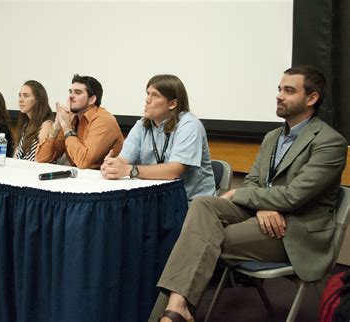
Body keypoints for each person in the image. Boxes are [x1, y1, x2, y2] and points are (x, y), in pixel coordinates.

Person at [149, 65, 348, 322]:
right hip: (264, 218)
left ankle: (167, 316)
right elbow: (254, 182)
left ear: (311, 99)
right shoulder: (272, 137)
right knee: (203, 205)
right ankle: (176, 310)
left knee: (201, 239)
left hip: (294, 232)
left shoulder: (329, 142)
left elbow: (294, 197)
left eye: (289, 90)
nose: (279, 95)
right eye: (279, 89)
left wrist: (238, 195)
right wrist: (263, 205)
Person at [100, 74, 215, 201]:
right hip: (157, 201)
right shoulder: (142, 125)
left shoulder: (189, 126)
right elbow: (124, 160)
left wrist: (130, 170)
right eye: (148, 93)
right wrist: (112, 165)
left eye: (155, 95)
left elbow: (174, 171)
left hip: (190, 203)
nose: (147, 100)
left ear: (172, 103)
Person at [36, 74, 124, 169]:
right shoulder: (71, 118)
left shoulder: (103, 120)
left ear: (92, 99)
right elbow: (42, 158)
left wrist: (67, 127)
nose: (70, 96)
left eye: (77, 93)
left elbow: (83, 161)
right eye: (70, 92)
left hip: (103, 179)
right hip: (80, 178)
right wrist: (57, 125)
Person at [13, 80, 53, 161]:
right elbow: (16, 157)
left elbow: (41, 159)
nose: (20, 100)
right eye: (20, 95)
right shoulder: (26, 125)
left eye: (26, 96)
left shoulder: (46, 125)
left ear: (38, 100)